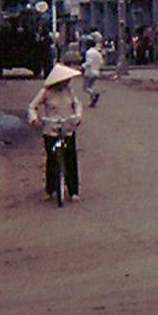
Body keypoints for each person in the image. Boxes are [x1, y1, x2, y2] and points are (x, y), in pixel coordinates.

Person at [27, 63, 83, 203]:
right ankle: (50, 189)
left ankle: (73, 191)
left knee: (70, 159)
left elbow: (77, 105)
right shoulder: (46, 92)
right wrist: (34, 119)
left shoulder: (69, 91)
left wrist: (77, 116)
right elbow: (32, 107)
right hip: (50, 129)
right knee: (51, 160)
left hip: (67, 128)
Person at [82, 33, 104, 108]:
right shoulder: (97, 53)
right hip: (96, 71)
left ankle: (94, 94)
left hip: (89, 72)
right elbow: (101, 62)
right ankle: (92, 102)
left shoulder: (88, 52)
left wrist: (82, 66)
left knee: (85, 87)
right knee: (91, 86)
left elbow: (89, 62)